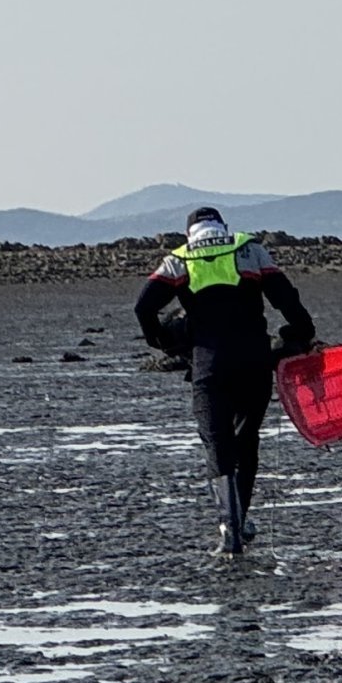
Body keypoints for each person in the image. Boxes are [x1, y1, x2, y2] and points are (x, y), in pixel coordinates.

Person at [135, 207, 317, 557]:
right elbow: (286, 297)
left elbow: (143, 306)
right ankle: (242, 517)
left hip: (209, 365)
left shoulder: (180, 259)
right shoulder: (249, 249)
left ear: (190, 234)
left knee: (217, 445)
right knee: (246, 441)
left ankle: (229, 531)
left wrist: (162, 340)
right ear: (223, 227)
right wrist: (301, 333)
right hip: (254, 361)